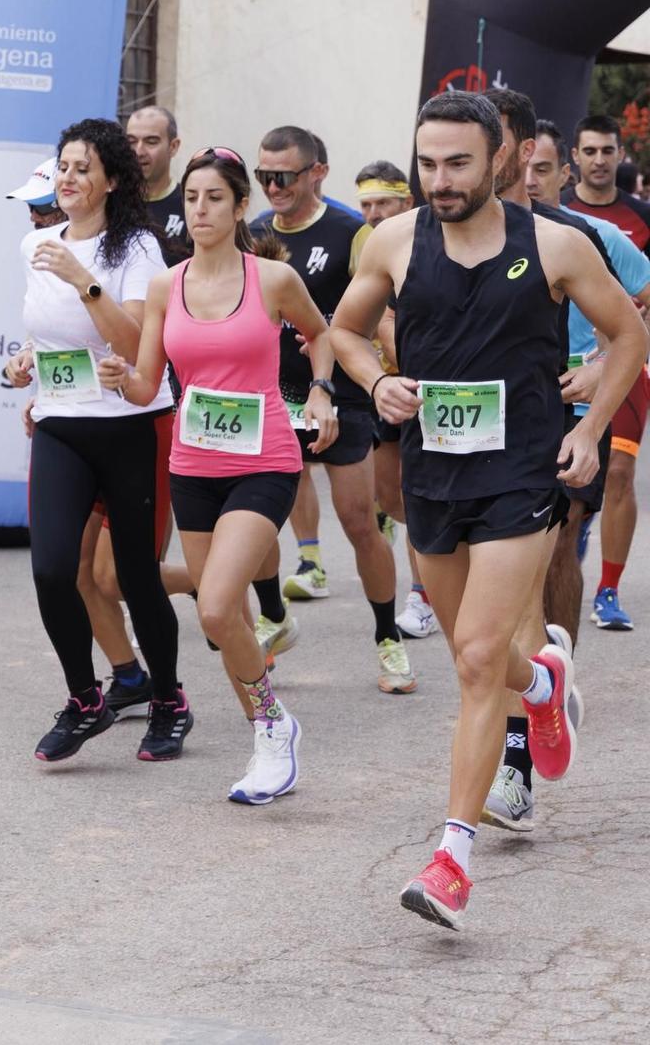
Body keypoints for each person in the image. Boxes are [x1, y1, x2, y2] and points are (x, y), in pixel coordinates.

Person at [333, 90, 641, 930]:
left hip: (522, 471)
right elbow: (345, 331)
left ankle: (451, 861)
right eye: (427, 163)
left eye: (458, 163)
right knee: (482, 654)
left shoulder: (556, 244)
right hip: (434, 472)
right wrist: (376, 380)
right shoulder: (395, 242)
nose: (440, 180)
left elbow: (628, 336)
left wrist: (591, 424)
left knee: (473, 656)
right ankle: (541, 682)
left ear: (499, 157)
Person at [100, 149, 336, 803]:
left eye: (212, 198)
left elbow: (322, 335)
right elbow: (150, 382)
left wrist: (319, 391)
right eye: (190, 199)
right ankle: (271, 731)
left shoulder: (272, 281)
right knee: (219, 616)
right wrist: (123, 381)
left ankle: (269, 729)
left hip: (265, 458)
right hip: (193, 463)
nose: (198, 209)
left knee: (212, 602)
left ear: (238, 208)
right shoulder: (163, 287)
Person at [475, 89, 635, 831]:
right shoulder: (440, 237)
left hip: (562, 423)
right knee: (482, 618)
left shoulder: (580, 237)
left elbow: (635, 311)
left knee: (544, 563)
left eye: (536, 162)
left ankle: (517, 761)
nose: (526, 174)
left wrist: (603, 366)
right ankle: (544, 681)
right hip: (471, 437)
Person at [6, 117, 190, 763]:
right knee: (53, 568)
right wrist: (30, 359)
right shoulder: (37, 247)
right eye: (62, 166)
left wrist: (83, 280)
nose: (68, 178)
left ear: (112, 180)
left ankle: (168, 699)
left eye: (84, 168)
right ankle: (85, 698)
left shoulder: (134, 247)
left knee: (135, 578)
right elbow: (52, 333)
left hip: (130, 426)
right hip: (60, 424)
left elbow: (133, 342)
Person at [252, 127, 411, 695]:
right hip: (272, 397)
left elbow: (383, 312)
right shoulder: (254, 234)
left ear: (317, 172)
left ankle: (388, 638)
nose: (272, 186)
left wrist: (338, 342)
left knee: (359, 521)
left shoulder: (351, 232)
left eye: (284, 176)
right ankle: (274, 617)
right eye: (263, 176)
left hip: (341, 393)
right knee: (256, 520)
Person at [564, 114, 649, 631]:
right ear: (574, 156)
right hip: (561, 372)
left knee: (619, 471)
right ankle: (573, 531)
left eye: (608, 151)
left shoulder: (640, 215)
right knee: (573, 481)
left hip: (622, 367)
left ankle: (609, 590)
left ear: (620, 155)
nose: (599, 160)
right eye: (590, 150)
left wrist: (629, 352)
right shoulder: (557, 216)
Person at [355, 159, 436, 642]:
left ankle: (422, 597)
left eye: (382, 202)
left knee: (422, 496)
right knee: (393, 498)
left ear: (406, 201)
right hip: (386, 389)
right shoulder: (368, 244)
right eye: (365, 204)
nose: (373, 213)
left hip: (434, 390)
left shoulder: (424, 238)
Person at [128, 105, 187, 252]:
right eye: (132, 142)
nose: (139, 151)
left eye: (151, 142)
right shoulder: (109, 203)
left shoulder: (191, 205)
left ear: (173, 147)